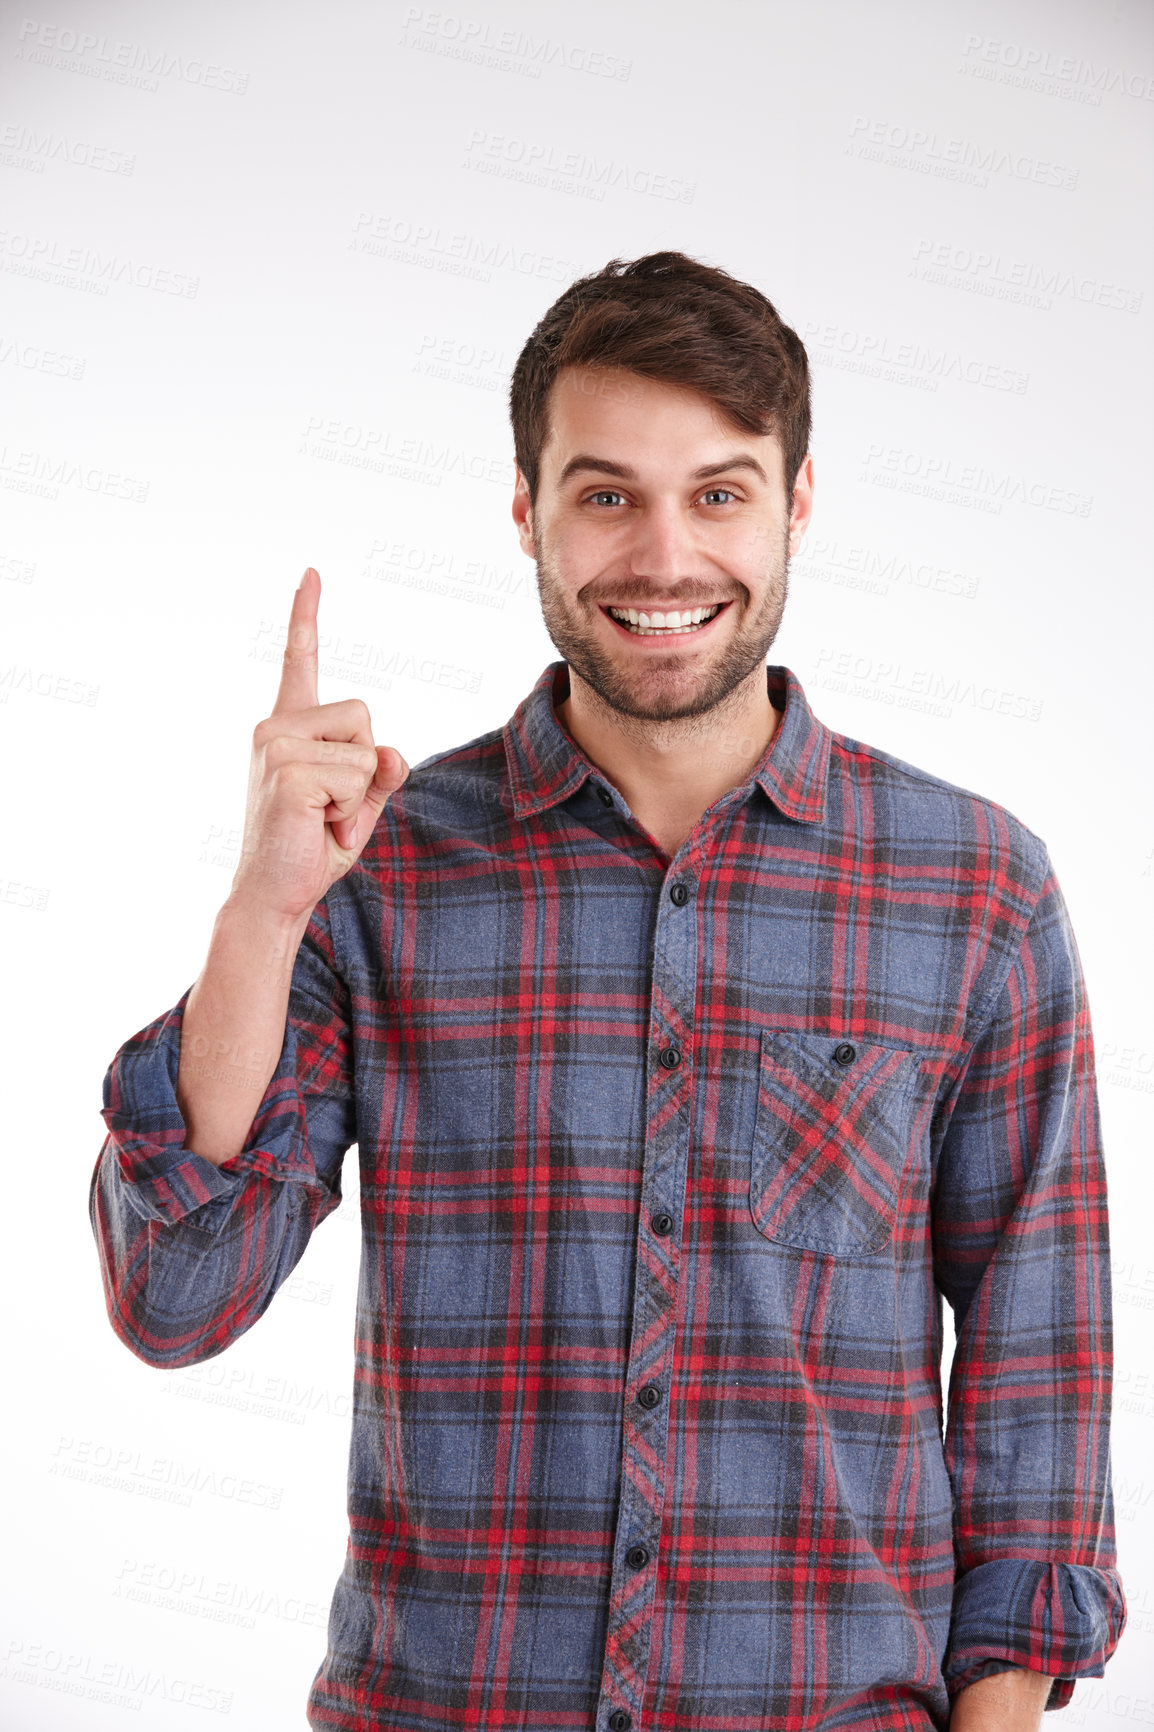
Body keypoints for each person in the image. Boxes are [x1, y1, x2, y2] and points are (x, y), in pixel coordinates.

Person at [91, 251, 1125, 1732]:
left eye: (716, 492)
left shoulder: (974, 891)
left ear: (796, 503)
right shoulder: (376, 873)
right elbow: (172, 1299)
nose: (662, 556)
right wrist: (260, 912)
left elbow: (1036, 1379)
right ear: (525, 512)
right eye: (604, 495)